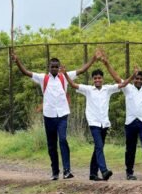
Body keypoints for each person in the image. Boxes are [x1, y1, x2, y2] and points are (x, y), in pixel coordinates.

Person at [11, 50, 98, 180]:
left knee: (63, 140)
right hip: (49, 116)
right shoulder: (43, 78)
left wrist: (93, 59)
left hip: (62, 115)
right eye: (52, 66)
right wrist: (17, 61)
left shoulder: (65, 77)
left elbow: (81, 70)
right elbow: (26, 72)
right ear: (49, 67)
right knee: (52, 145)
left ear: (59, 67)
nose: (54, 68)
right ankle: (55, 172)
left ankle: (67, 171)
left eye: (56, 67)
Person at [62, 56, 135, 181]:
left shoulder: (108, 89)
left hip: (104, 123)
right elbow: (73, 85)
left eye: (99, 78)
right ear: (92, 80)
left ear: (102, 79)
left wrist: (132, 76)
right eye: (95, 78)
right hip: (93, 122)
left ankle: (92, 173)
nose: (97, 80)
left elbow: (123, 84)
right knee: (99, 146)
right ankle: (104, 170)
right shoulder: (88, 90)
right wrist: (65, 75)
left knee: (98, 147)